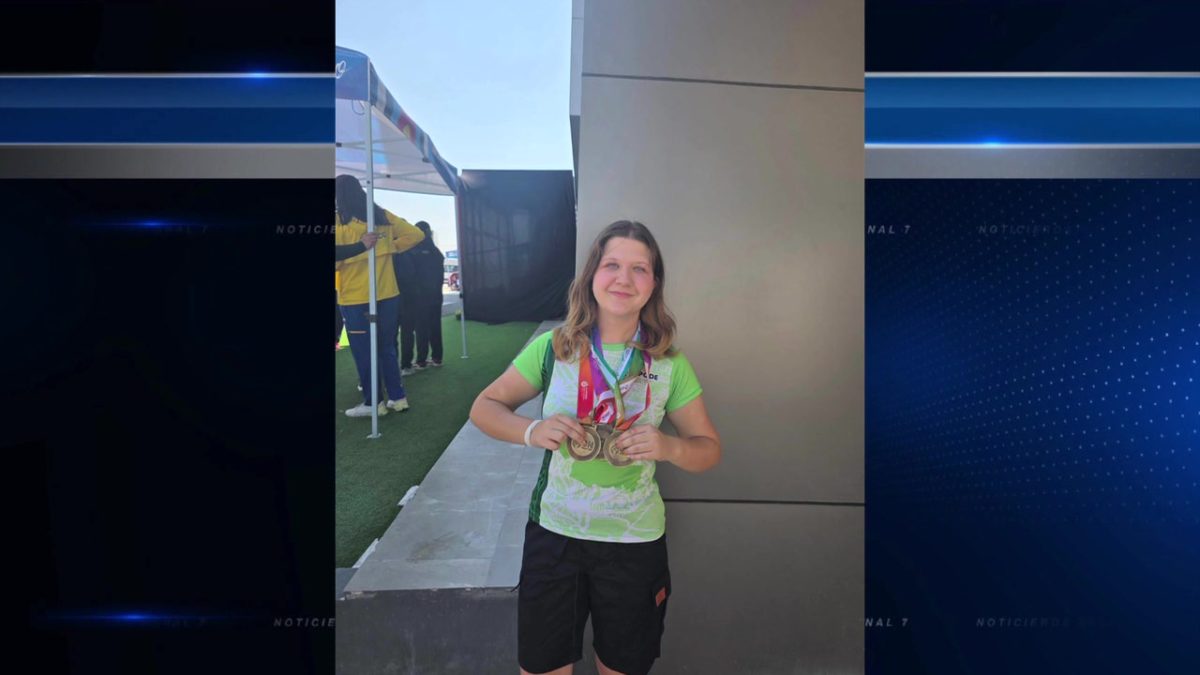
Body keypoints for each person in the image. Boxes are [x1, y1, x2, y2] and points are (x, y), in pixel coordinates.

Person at [469, 220, 721, 675]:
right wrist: (532, 430)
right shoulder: (554, 348)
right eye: (612, 265)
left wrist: (669, 447)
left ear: (654, 283)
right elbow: (484, 408)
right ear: (591, 276)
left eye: (639, 268)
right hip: (555, 536)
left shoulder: (670, 363)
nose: (624, 278)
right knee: (542, 667)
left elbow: (708, 449)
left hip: (633, 543)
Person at [335, 174, 424, 417]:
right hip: (387, 294)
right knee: (386, 347)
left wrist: (367, 252)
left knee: (364, 351)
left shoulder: (339, 222)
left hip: (356, 298)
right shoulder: (381, 216)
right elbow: (416, 234)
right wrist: (389, 247)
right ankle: (398, 398)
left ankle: (373, 403)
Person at [410, 221, 445, 369]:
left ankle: (421, 361)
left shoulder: (414, 250)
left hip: (420, 297)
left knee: (421, 329)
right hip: (436, 296)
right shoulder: (436, 252)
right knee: (435, 326)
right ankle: (437, 358)